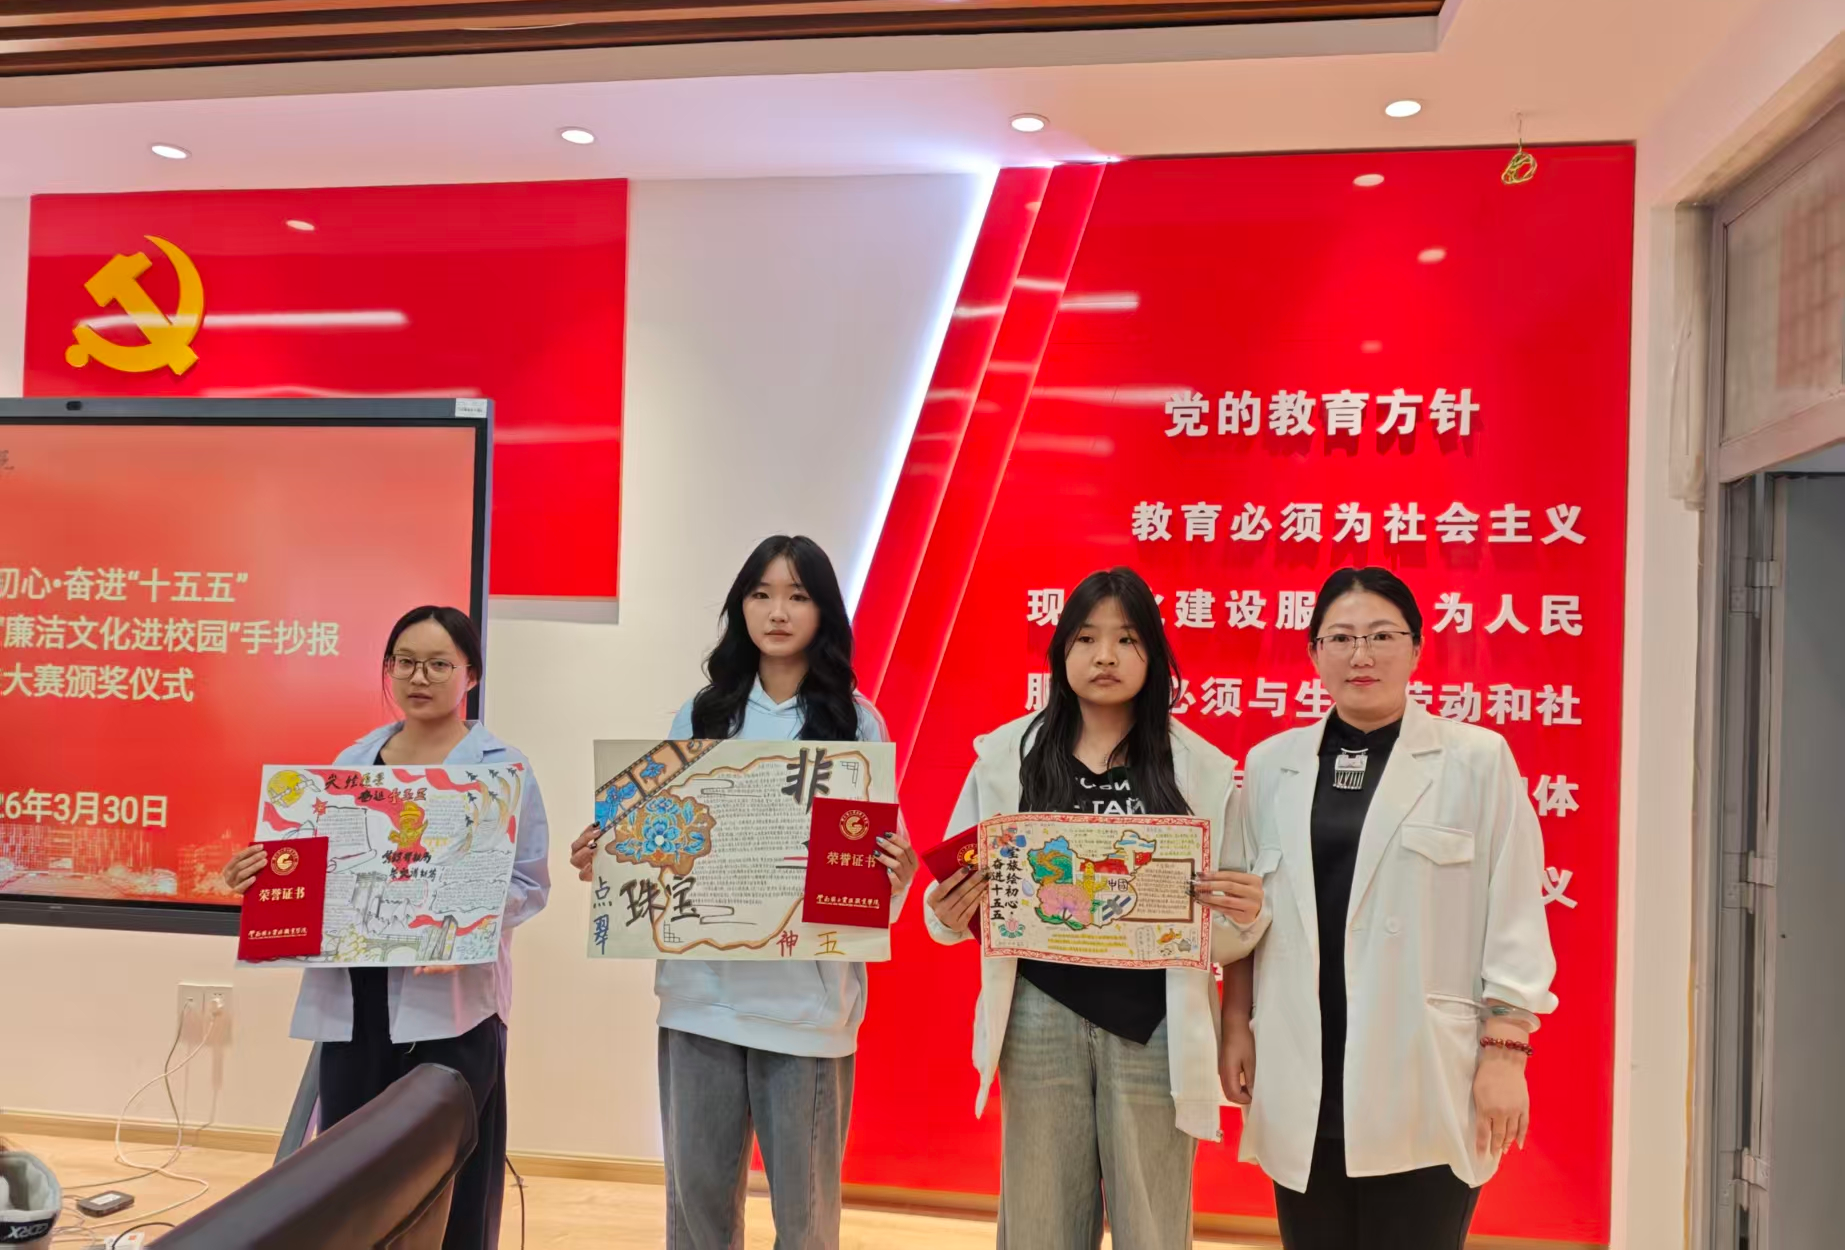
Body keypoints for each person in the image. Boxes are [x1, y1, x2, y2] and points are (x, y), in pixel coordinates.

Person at [567, 535, 919, 1250]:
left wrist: (894, 871)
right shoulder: (701, 717)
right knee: (696, 1215)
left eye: (797, 595)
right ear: (741, 607)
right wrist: (611, 858)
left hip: (806, 1009)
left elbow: (872, 876)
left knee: (806, 1222)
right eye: (761, 594)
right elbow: (659, 844)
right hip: (701, 996)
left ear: (824, 612)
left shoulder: (854, 722)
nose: (777, 612)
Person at [922, 566, 1267, 1250]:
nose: (1104, 655)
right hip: (1037, 1015)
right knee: (1039, 1221)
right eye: (1085, 638)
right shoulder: (1006, 757)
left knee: (1153, 1222)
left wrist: (1244, 911)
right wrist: (949, 908)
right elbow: (948, 907)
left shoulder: (1199, 767)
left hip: (1156, 1024)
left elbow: (1230, 932)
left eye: (1126, 639)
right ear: (1060, 652)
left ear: (1154, 655)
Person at [1220, 567, 1556, 1250]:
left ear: (1416, 647)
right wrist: (1234, 1024)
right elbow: (1241, 914)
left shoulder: (1476, 760)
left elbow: (1516, 914)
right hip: (1301, 1067)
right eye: (1340, 638)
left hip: (1422, 1071)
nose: (1360, 655)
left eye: (1380, 636)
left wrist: (1505, 1054)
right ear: (1314, 652)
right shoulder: (1270, 765)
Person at [220, 605, 550, 1250]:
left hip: (452, 1006)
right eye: (404, 662)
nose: (418, 677)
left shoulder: (501, 770)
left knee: (453, 1178)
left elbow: (529, 884)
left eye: (438, 664)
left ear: (471, 674)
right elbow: (320, 874)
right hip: (357, 999)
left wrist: (465, 925)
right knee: (353, 1178)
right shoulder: (352, 763)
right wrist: (260, 877)